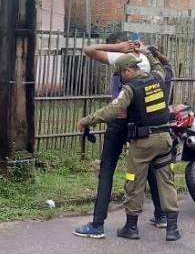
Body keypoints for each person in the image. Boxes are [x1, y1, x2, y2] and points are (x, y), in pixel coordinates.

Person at [77, 52, 181, 241]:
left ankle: (131, 227)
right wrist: (148, 52)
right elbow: (158, 66)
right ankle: (172, 228)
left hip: (143, 143)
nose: (120, 77)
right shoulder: (157, 78)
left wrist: (88, 120)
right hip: (165, 139)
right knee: (166, 182)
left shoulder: (130, 89)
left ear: (127, 71)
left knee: (134, 182)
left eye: (121, 73)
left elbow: (113, 109)